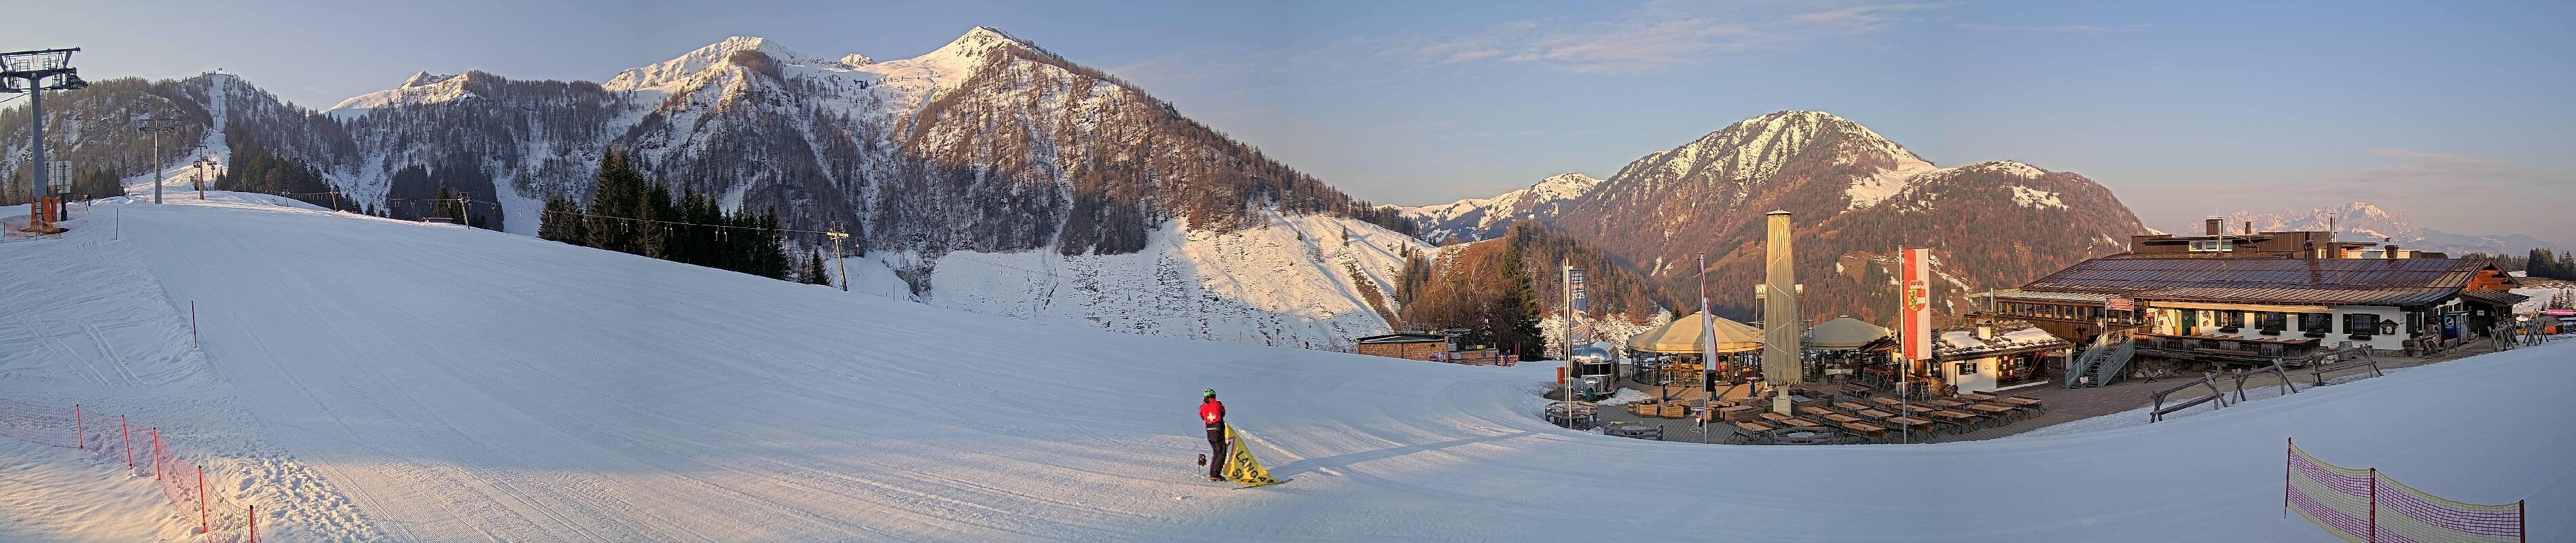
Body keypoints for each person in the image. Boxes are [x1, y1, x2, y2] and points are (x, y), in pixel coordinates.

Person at [1199, 389, 1228, 482]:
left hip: (1209, 430)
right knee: (1221, 453)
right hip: (1218, 430)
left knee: (1216, 452)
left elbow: (1202, 416)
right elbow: (1223, 412)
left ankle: (1213, 474)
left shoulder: (1203, 407)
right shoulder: (1218, 404)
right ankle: (1215, 475)